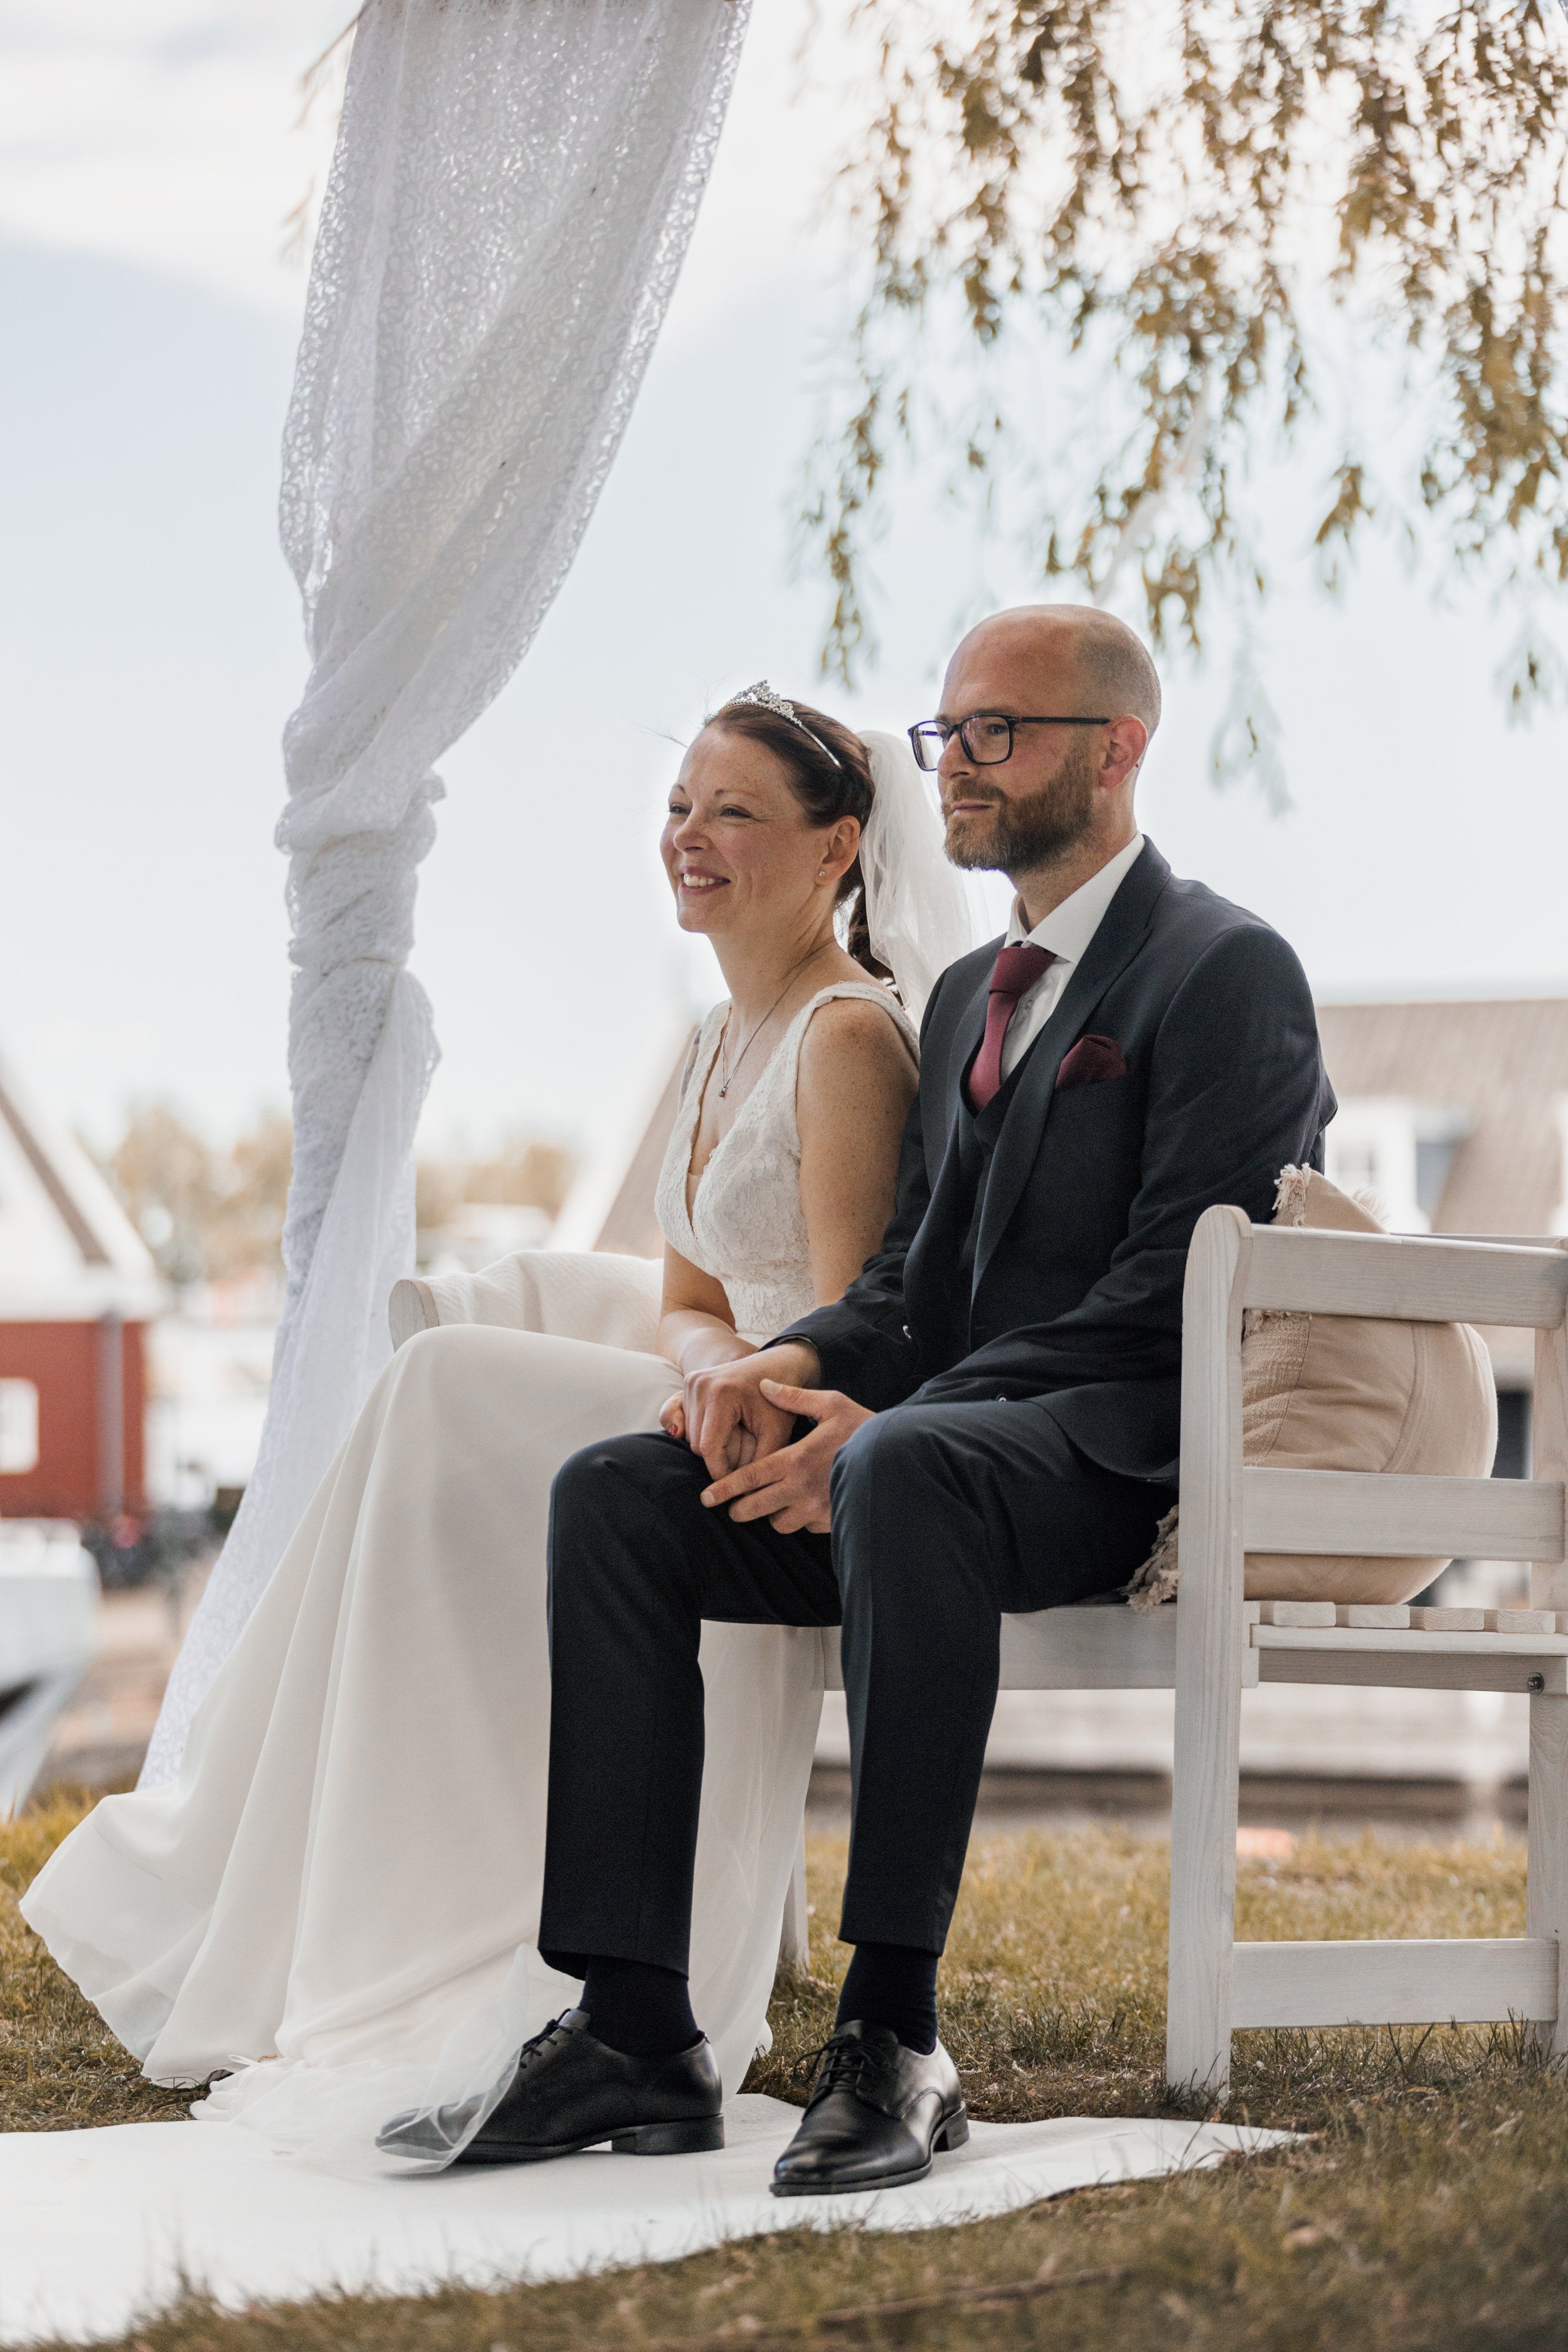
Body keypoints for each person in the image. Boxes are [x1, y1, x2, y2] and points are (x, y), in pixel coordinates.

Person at [406, 604, 1336, 2191]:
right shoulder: (970, 984)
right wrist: (793, 1371)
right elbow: (911, 1278)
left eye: (999, 732)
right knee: (622, 1491)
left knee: (904, 1470)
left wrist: (888, 1426)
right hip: (941, 1463)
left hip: (1113, 1456)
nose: (957, 764)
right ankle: (633, 2021)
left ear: (1114, 754)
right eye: (947, 730)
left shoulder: (1224, 966)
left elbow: (1160, 1295)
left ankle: (893, 2030)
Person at [22, 684, 975, 2159]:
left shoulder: (847, 1037)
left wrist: (736, 1369)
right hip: (702, 1391)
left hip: (776, 1437)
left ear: (838, 845)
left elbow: (854, 1322)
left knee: (437, 1383)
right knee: (438, 1382)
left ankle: (390, 1888)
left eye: (734, 813)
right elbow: (683, 1297)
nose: (690, 840)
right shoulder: (721, 1035)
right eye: (678, 808)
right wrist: (703, 1349)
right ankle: (350, 1860)